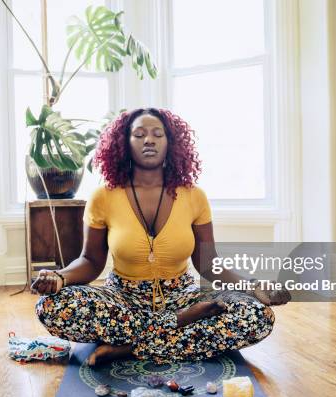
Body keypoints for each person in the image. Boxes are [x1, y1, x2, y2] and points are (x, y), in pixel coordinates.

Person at [32, 107, 290, 366]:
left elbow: (209, 264)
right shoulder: (104, 196)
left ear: (171, 143)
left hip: (182, 294)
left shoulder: (194, 196)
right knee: (52, 307)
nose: (149, 140)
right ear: (125, 143)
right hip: (124, 298)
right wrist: (60, 277)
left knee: (257, 316)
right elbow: (90, 260)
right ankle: (178, 325)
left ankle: (130, 348)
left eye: (158, 134)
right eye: (139, 134)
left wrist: (253, 286)